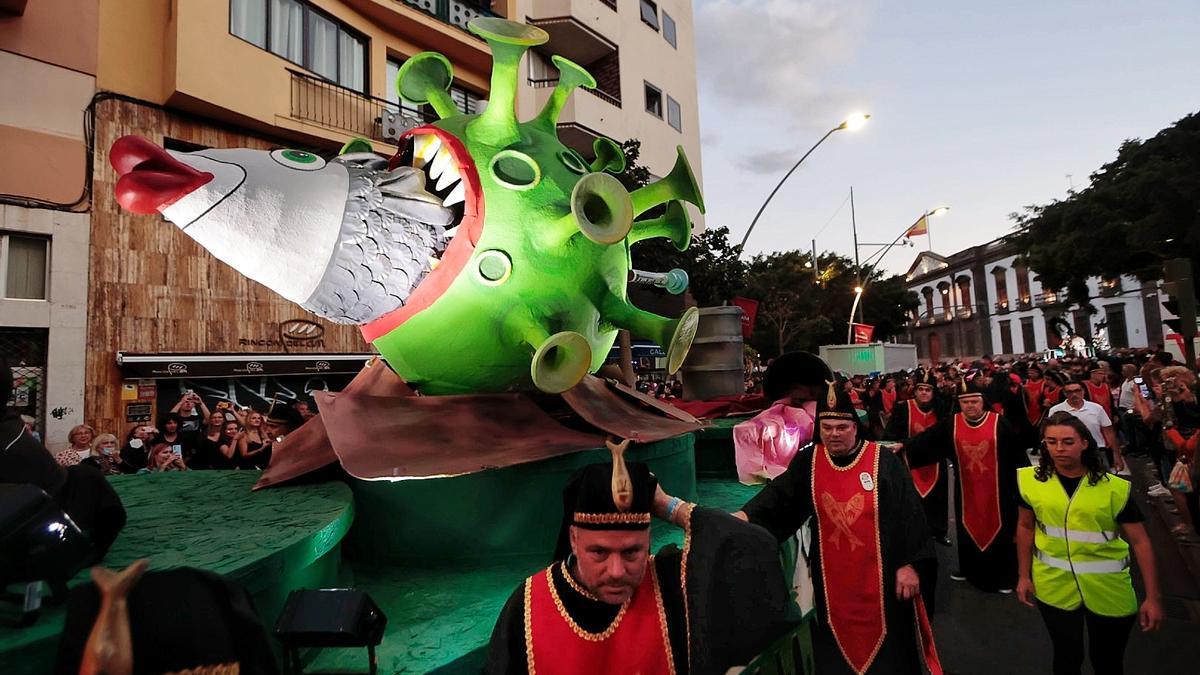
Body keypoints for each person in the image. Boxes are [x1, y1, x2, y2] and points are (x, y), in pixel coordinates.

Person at [485, 445, 797, 674]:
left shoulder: (674, 585)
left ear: (649, 541)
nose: (617, 571)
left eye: (632, 552)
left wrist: (666, 505)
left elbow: (753, 546)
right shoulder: (528, 606)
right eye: (599, 553)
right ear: (574, 540)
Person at [736, 381, 941, 674]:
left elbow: (910, 515)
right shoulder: (809, 462)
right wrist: (743, 518)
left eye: (841, 427)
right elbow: (779, 501)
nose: (834, 434)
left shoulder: (883, 462)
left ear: (855, 428)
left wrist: (911, 564)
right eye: (827, 427)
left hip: (882, 583)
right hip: (833, 583)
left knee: (891, 656)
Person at [1016, 412, 1162, 675]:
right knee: (1066, 658)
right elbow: (1025, 527)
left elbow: (1141, 542)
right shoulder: (1030, 482)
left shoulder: (1114, 489)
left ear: (1085, 443)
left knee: (1107, 662)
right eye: (1051, 441)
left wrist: (1152, 597)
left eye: (1068, 441)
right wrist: (1023, 576)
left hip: (1108, 588)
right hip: (1053, 585)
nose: (1059, 449)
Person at [897, 375, 1029, 593]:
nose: (970, 406)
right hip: (967, 489)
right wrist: (902, 446)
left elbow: (1018, 457)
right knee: (966, 527)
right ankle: (970, 570)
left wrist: (1024, 488)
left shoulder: (999, 424)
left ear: (982, 401)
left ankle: (1004, 577)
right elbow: (926, 441)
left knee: (1002, 531)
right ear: (959, 403)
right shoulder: (952, 424)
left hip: (999, 490)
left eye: (974, 401)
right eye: (965, 402)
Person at [884, 368, 951, 546]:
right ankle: (912, 533)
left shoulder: (941, 408)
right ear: (915, 390)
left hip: (934, 460)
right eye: (921, 389)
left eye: (928, 390)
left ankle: (939, 532)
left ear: (933, 392)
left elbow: (946, 433)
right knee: (910, 500)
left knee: (937, 500)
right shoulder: (903, 408)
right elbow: (890, 434)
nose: (924, 393)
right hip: (909, 460)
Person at [1049, 379, 1122, 471]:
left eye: (1077, 391)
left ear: (1083, 391)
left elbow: (1108, 431)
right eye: (1069, 392)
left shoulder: (1096, 408)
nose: (1074, 394)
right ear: (1064, 393)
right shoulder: (1055, 410)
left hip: (1097, 451)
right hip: (1070, 453)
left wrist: (1116, 455)